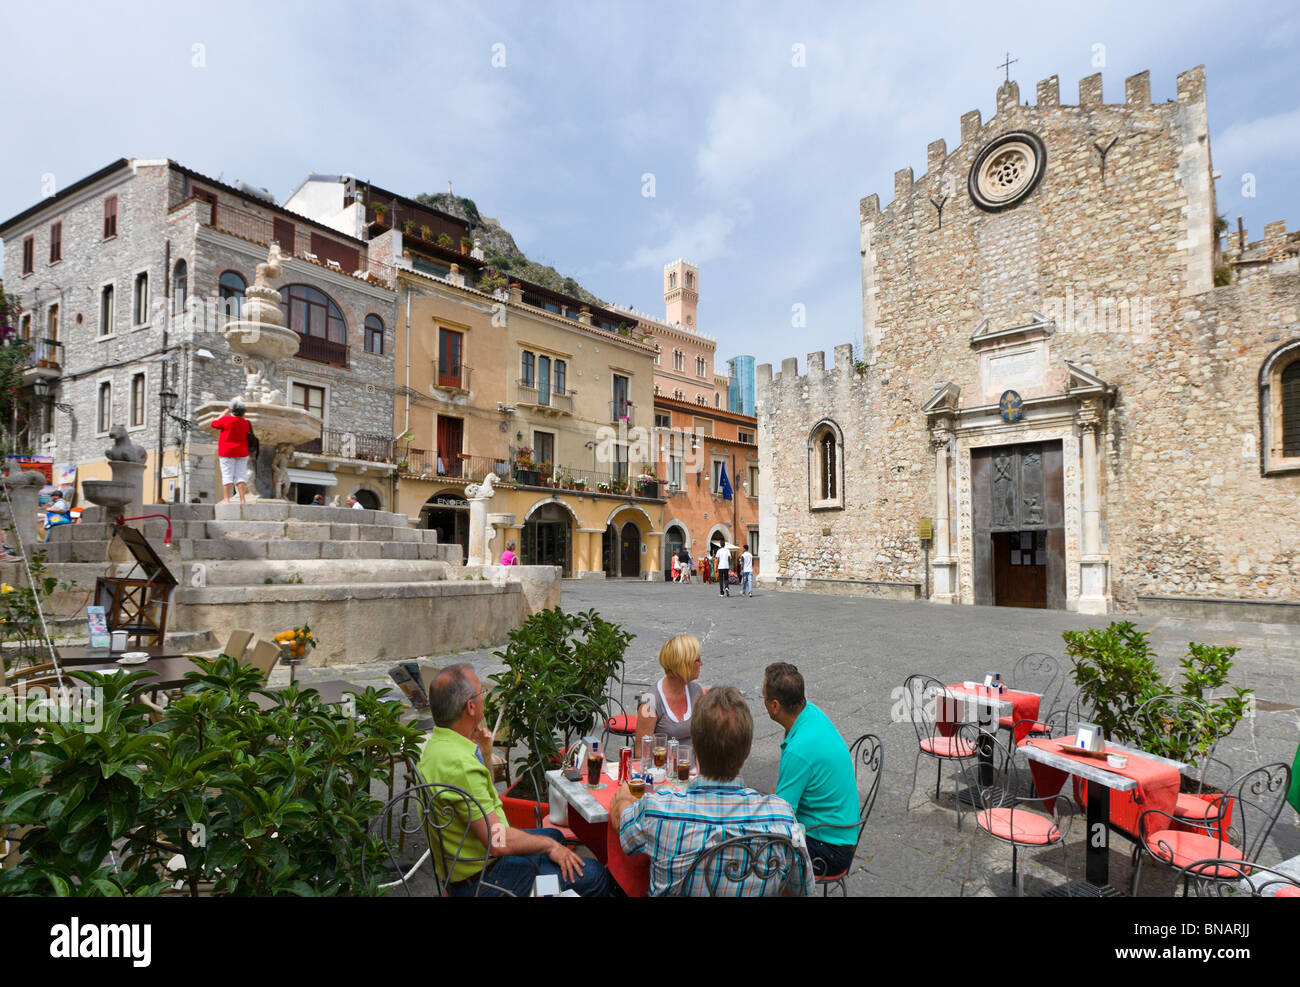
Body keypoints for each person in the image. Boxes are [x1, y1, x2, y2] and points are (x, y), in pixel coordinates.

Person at [417, 663, 612, 897]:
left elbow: (482, 797)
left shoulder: (433, 750)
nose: (483, 700)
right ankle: (545, 888)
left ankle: (550, 879)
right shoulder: (461, 765)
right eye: (481, 694)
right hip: (488, 880)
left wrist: (486, 753)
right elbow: (499, 842)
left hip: (468, 865)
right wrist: (550, 848)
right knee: (594, 874)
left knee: (556, 836)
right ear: (470, 707)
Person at [611, 686, 813, 897]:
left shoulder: (657, 811)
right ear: (746, 750)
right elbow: (802, 888)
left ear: (694, 746)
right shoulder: (781, 817)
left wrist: (625, 798)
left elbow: (625, 834)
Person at [762, 662, 860, 880]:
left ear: (775, 706)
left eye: (764, 698)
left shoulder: (799, 749)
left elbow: (780, 816)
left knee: (757, 851)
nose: (764, 703)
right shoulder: (810, 712)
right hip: (841, 832)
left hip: (830, 851)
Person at [635, 634, 705, 747]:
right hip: (664, 763)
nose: (701, 664)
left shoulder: (696, 691)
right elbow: (641, 752)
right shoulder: (650, 701)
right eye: (698, 660)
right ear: (684, 664)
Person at [210, 398, 252, 504]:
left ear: (232, 410)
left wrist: (223, 414)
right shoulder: (246, 423)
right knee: (241, 476)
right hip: (242, 452)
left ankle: (226, 498)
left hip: (227, 452)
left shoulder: (226, 419)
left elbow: (213, 424)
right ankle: (242, 499)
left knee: (227, 475)